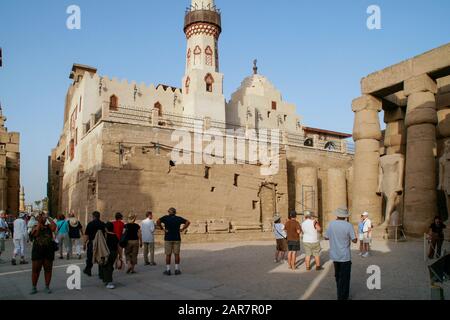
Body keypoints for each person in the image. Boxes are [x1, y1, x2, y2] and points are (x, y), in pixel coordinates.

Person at [324, 207, 357, 301]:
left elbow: (326, 237)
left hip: (335, 255)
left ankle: (339, 293)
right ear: (345, 216)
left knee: (338, 276)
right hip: (345, 256)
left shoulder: (331, 224)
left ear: (337, 215)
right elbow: (354, 240)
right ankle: (343, 297)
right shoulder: (348, 225)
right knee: (345, 278)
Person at [157, 208, 190, 276]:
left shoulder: (165, 218)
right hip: (177, 238)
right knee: (177, 254)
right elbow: (188, 222)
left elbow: (158, 221)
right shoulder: (178, 218)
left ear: (169, 212)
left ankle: (168, 270)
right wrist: (182, 229)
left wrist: (161, 228)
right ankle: (177, 269)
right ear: (175, 212)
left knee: (168, 254)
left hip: (168, 238)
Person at [30, 212, 57, 294]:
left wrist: (48, 217)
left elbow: (54, 228)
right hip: (37, 251)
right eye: (40, 217)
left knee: (48, 269)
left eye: (43, 217)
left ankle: (47, 287)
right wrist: (39, 223)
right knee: (35, 270)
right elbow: (36, 234)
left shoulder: (49, 226)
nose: (42, 218)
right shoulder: (35, 227)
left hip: (48, 250)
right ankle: (34, 287)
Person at [83, 211, 106, 277]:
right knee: (101, 257)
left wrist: (84, 243)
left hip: (92, 243)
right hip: (100, 244)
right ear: (99, 216)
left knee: (89, 257)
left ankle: (88, 270)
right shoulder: (103, 224)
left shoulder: (90, 224)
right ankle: (101, 273)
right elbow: (106, 234)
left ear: (93, 216)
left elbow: (86, 235)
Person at [100, 222, 119, 289]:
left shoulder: (105, 236)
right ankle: (106, 280)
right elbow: (118, 246)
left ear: (106, 228)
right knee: (109, 266)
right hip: (114, 253)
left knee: (107, 267)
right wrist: (119, 256)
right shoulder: (115, 236)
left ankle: (109, 282)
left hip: (107, 253)